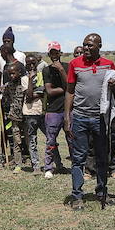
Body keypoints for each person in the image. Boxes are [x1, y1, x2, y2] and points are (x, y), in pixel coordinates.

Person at [64, 33, 115, 210]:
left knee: (103, 158)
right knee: (78, 158)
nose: (86, 48)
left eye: (90, 45)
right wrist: (67, 116)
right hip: (80, 117)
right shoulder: (75, 64)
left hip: (100, 119)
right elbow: (70, 91)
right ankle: (77, 196)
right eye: (84, 45)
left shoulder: (108, 65)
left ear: (99, 46)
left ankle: (102, 191)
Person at [41, 42, 69, 179]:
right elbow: (49, 91)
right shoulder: (46, 70)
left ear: (60, 53)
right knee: (50, 140)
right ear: (49, 54)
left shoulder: (67, 67)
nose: (54, 55)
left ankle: (77, 166)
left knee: (72, 139)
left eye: (56, 52)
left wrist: (62, 71)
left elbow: (70, 84)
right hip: (53, 110)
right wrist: (65, 89)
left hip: (68, 109)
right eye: (51, 53)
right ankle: (48, 167)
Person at [20, 54, 45, 172]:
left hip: (42, 112)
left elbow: (44, 92)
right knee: (32, 140)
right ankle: (35, 166)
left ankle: (57, 163)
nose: (31, 66)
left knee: (51, 138)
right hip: (30, 113)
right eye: (28, 63)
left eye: (33, 63)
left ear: (37, 63)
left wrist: (36, 93)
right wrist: (30, 79)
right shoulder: (24, 79)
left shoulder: (42, 76)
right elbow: (29, 97)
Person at [0, 60, 25, 171]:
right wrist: (0, 101)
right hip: (14, 117)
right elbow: (4, 98)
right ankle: (18, 164)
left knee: (29, 140)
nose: (11, 76)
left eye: (13, 73)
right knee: (16, 140)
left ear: (19, 72)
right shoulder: (7, 86)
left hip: (27, 116)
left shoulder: (24, 83)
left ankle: (34, 163)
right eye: (9, 74)